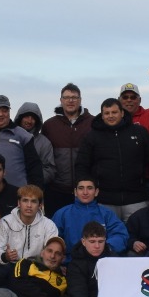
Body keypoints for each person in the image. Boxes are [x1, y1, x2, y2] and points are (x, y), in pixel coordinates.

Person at [76, 97, 149, 221]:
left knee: (137, 238)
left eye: (114, 112)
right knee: (105, 238)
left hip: (136, 199)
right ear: (102, 115)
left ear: (122, 113)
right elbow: (82, 165)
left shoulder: (139, 132)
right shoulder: (92, 136)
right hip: (104, 201)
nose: (110, 116)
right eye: (107, 113)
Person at [42, 84, 93, 215]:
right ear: (61, 100)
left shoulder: (92, 123)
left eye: (74, 97)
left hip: (85, 190)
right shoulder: (49, 125)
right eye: (67, 97)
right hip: (56, 190)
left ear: (80, 100)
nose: (70, 101)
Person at [53, 178, 129, 253]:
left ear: (96, 192)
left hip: (101, 260)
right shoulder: (62, 214)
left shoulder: (107, 214)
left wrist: (105, 248)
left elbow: (120, 235)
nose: (85, 192)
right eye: (81, 188)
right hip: (71, 262)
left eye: (89, 188)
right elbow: (53, 239)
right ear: (75, 192)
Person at [0, 184, 58, 267]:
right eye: (25, 200)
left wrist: (41, 258)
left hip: (36, 266)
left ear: (40, 205)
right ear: (19, 203)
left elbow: (52, 252)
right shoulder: (5, 222)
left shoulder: (49, 225)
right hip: (11, 264)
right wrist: (5, 256)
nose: (29, 205)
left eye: (33, 201)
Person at [58, 222, 108, 297]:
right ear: (83, 242)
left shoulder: (112, 258)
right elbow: (77, 290)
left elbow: (118, 285)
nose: (97, 246)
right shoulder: (75, 264)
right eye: (92, 242)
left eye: (101, 241)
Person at [14, 102, 58, 193]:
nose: (29, 121)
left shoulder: (44, 143)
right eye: (26, 117)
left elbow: (49, 169)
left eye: (33, 118)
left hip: (33, 192)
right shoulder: (8, 136)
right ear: (20, 117)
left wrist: (33, 182)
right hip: (10, 188)